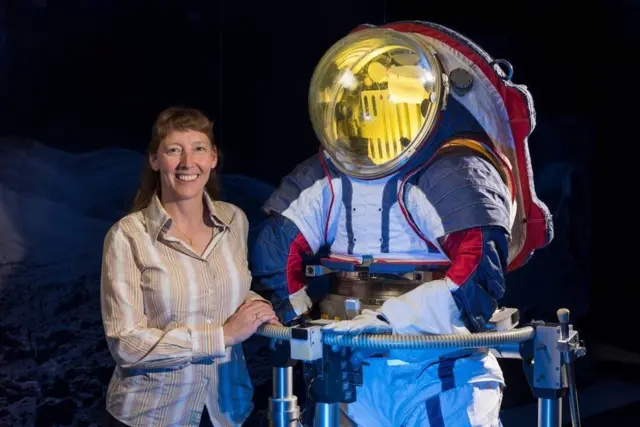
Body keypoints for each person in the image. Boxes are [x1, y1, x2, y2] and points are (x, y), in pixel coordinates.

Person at [250, 22, 553, 426]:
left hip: (437, 369)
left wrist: (382, 324)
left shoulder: (455, 170)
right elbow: (277, 245)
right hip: (349, 370)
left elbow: (474, 278)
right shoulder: (330, 176)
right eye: (366, 96)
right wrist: (301, 319)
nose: (374, 108)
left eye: (388, 95)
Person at [100, 106, 280, 427]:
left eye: (198, 148)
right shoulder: (127, 235)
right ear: (155, 160)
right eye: (173, 150)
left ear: (213, 158)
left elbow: (225, 287)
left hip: (227, 412)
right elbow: (125, 343)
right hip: (153, 415)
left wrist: (255, 305)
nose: (187, 162)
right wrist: (221, 335)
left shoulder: (233, 220)